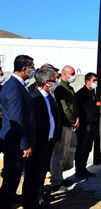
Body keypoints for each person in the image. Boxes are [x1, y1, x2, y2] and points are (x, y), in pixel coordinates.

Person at [0, 55, 35, 209]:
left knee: (12, 179)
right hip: (15, 142)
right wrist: (25, 144)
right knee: (11, 179)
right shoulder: (14, 88)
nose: (33, 70)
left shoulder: (17, 85)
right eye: (32, 67)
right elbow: (17, 118)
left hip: (15, 140)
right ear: (23, 68)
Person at [24, 68, 58, 209]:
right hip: (36, 143)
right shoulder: (34, 98)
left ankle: (38, 198)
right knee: (32, 174)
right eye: (53, 80)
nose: (56, 82)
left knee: (41, 173)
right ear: (45, 82)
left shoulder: (49, 97)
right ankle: (30, 203)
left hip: (47, 142)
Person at [50, 64, 79, 190]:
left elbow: (73, 106)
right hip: (63, 125)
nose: (74, 76)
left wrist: (76, 118)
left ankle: (59, 178)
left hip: (69, 124)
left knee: (64, 153)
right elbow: (64, 108)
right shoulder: (60, 88)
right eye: (72, 74)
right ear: (64, 73)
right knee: (59, 153)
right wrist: (73, 121)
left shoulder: (69, 88)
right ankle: (56, 180)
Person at [74, 72, 99, 179]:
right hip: (84, 125)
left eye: (96, 81)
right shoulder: (81, 94)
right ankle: (79, 170)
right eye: (93, 81)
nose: (95, 83)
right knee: (81, 148)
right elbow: (77, 110)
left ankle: (83, 168)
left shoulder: (93, 93)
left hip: (92, 124)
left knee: (88, 148)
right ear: (87, 82)